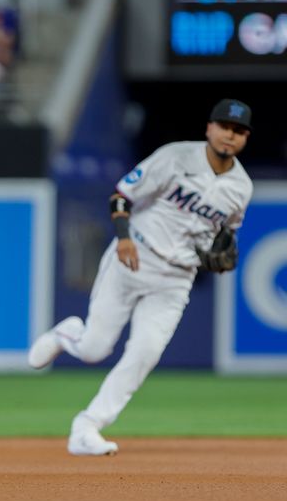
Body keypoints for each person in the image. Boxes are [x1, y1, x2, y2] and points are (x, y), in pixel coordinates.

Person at [28, 99, 254, 455]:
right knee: (94, 349)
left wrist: (220, 255)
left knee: (145, 353)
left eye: (239, 131)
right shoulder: (175, 157)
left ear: (245, 138)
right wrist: (123, 238)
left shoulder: (241, 187)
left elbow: (225, 236)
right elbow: (122, 196)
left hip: (177, 278)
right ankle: (68, 333)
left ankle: (87, 426)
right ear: (210, 128)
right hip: (134, 256)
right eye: (225, 126)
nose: (231, 134)